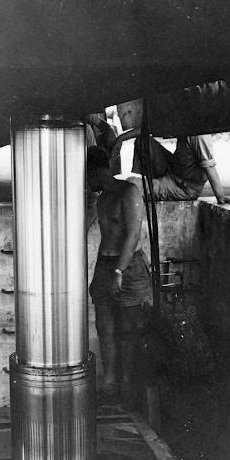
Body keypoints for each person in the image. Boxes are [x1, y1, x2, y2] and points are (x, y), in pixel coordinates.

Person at [87, 146, 152, 406]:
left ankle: (126, 385)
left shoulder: (129, 191)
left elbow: (133, 235)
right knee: (105, 327)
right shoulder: (101, 199)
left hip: (129, 267)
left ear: (95, 171)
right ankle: (110, 383)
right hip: (105, 264)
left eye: (85, 174)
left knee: (128, 329)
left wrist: (119, 271)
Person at [112, 131, 230, 204]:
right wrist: (121, 138)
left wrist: (220, 196)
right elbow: (147, 127)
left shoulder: (199, 136)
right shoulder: (183, 122)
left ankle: (155, 186)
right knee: (143, 140)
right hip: (173, 170)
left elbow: (209, 167)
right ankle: (155, 185)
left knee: (130, 185)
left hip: (182, 187)